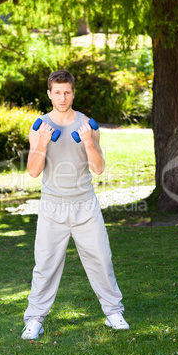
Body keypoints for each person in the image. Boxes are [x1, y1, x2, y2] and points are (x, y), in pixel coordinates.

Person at [22, 70, 129, 340]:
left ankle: (113, 312)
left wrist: (89, 143)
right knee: (44, 266)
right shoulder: (40, 127)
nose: (62, 97)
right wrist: (43, 144)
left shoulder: (88, 125)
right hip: (52, 206)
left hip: (84, 205)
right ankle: (34, 319)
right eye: (57, 92)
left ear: (73, 93)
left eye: (67, 92)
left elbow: (99, 168)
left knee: (102, 260)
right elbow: (33, 172)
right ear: (49, 94)